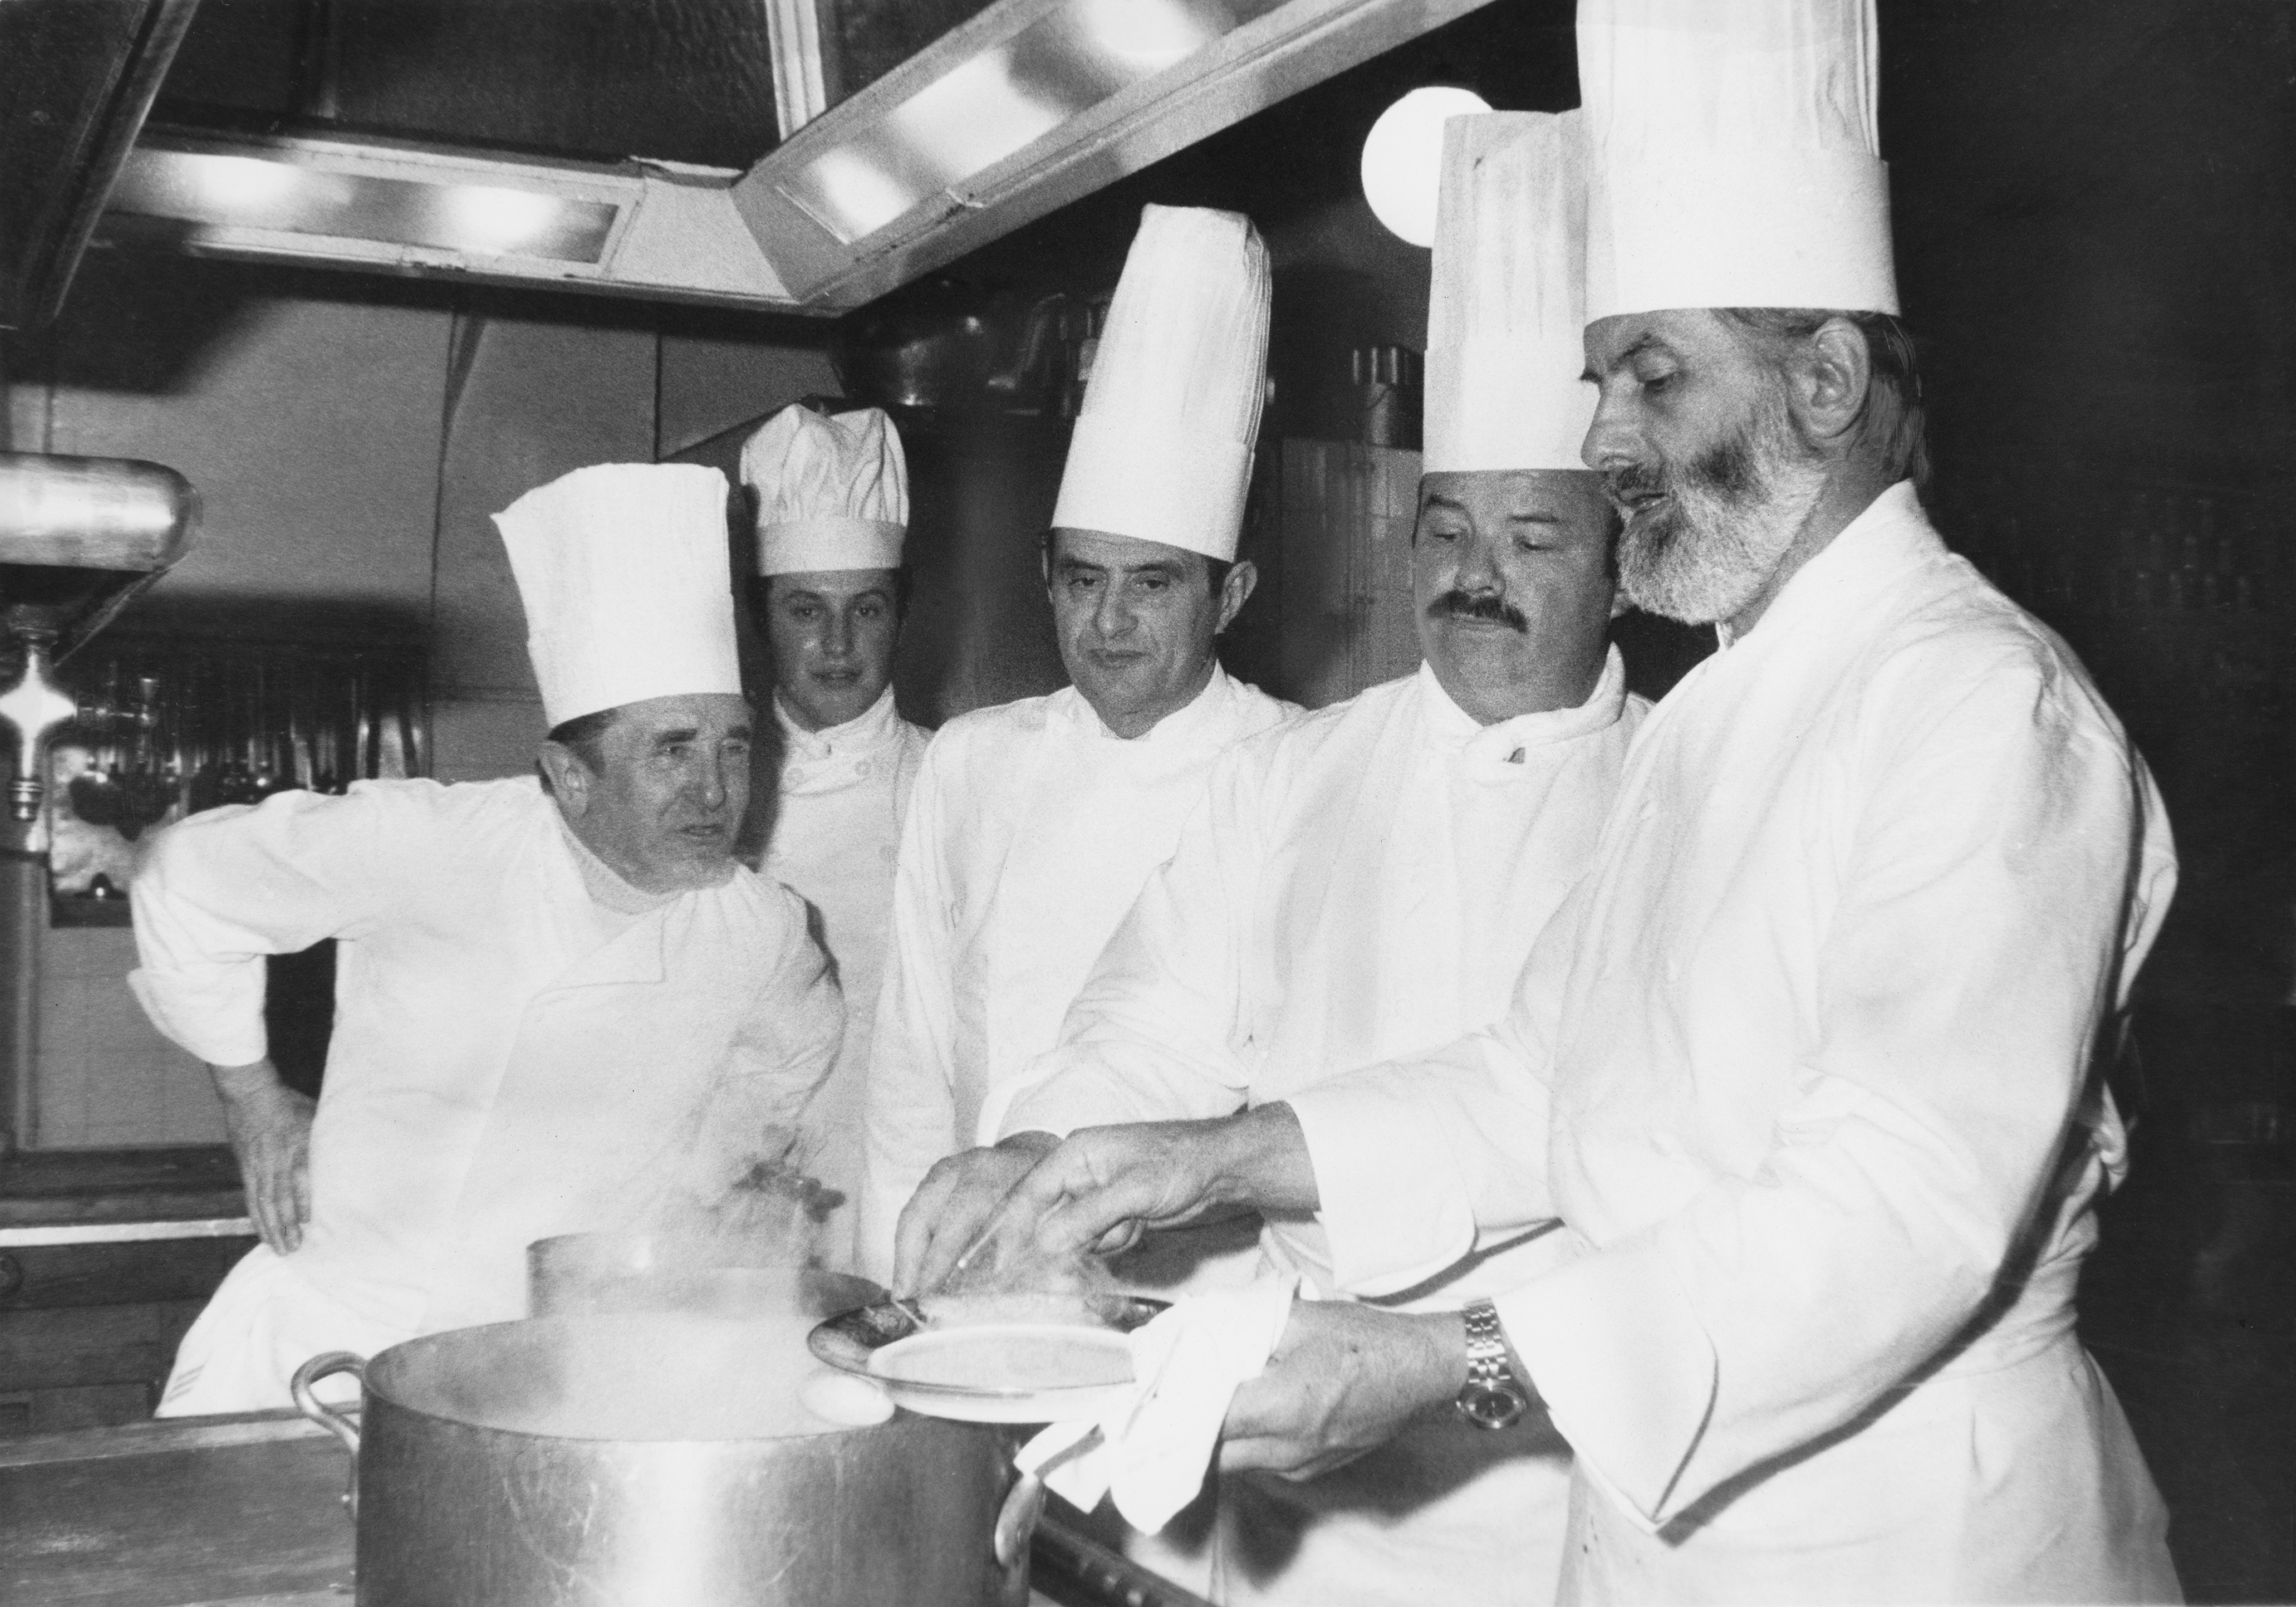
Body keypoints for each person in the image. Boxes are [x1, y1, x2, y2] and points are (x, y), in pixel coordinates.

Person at [971, 2, 2184, 1599]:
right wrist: (1208, 1157)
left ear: (1825, 381)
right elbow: (1541, 1074)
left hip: (1906, 1550)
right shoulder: (1716, 716)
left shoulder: (1977, 703)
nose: (1603, 443)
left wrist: (1441, 1362)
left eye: (1650, 378)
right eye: (1602, 382)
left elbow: (1893, 1207)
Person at [900, 113, 1640, 1607]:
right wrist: (1046, 1151)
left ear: (1625, 554)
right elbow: (1153, 1007)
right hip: (1283, 1466)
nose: (1472, 578)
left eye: (1534, 539)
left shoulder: (1675, 792)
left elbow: (1569, 1120)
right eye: (1442, 528)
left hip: (1556, 1471)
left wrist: (1219, 1166)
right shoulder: (1307, 768)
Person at [132, 463, 843, 1415]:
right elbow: (184, 876)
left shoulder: (758, 929)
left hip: (560, 1375)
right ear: (569, 774)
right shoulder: (433, 845)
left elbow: (792, 1053)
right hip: (331, 1359)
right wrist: (251, 1095)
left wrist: (721, 1183)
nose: (715, 794)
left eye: (733, 746)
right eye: (672, 750)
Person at [855, 204, 1296, 1284]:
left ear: (1228, 594)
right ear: (1044, 579)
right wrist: (890, 1297)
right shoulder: (971, 759)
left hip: (1194, 1301)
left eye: (1151, 585)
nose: (1107, 624)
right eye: (1082, 580)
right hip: (970, 1278)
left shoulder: (1295, 771)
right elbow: (911, 1060)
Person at [739, 403, 932, 1267]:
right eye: (804, 611)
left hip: (916, 1184)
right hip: (743, 1196)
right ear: (761, 618)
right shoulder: (719, 795)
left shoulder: (955, 778)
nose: (838, 643)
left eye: (867, 609)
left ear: (901, 614)